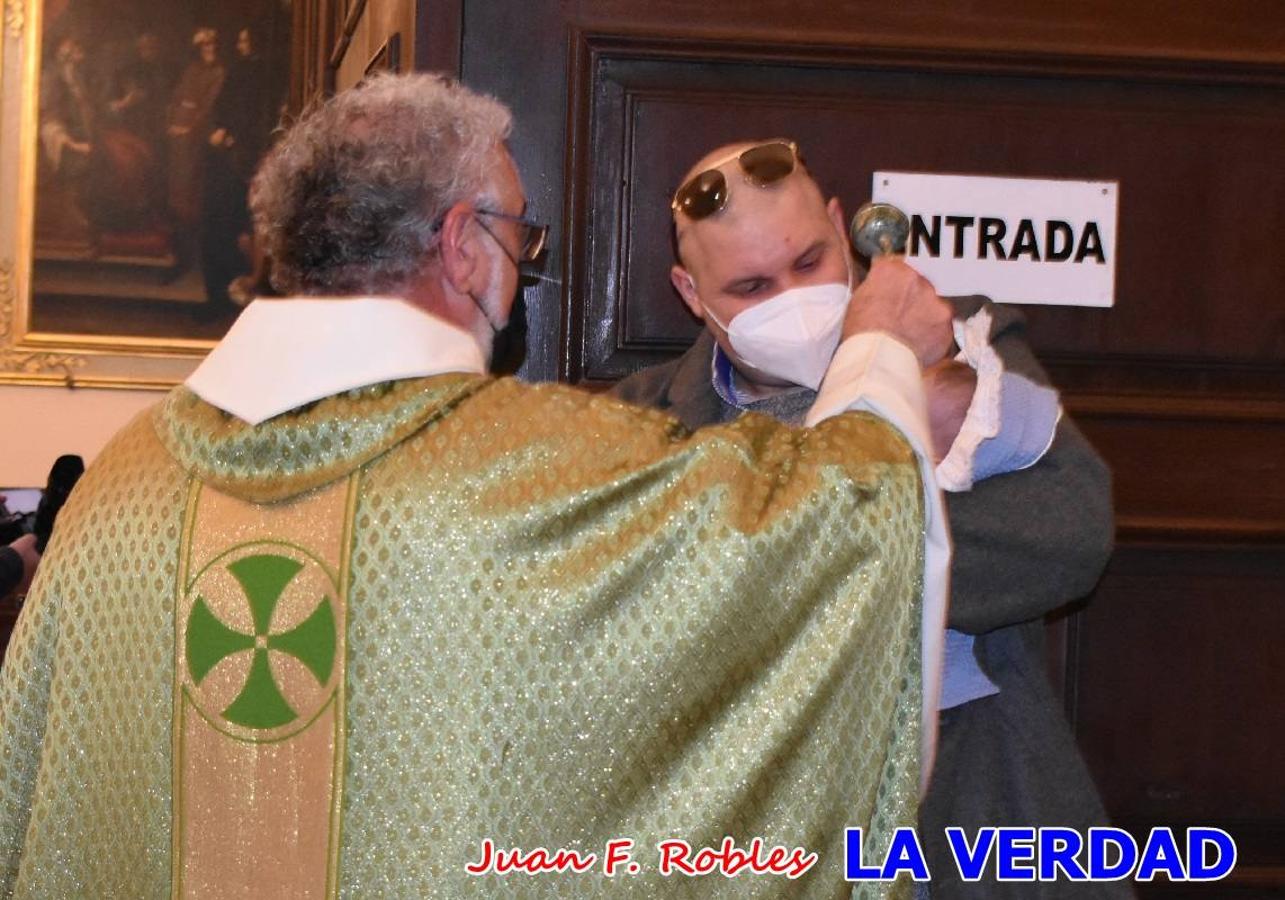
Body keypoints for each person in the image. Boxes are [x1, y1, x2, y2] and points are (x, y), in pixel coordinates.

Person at [1, 74, 951, 897]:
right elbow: (834, 523)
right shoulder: (543, 472)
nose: (517, 275)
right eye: (518, 241)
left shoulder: (116, 491)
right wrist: (877, 351)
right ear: (461, 243)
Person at [614, 140, 1126, 899]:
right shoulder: (641, 423)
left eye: (810, 262)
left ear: (837, 225)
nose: (790, 297)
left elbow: (1063, 538)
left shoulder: (968, 346)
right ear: (692, 293)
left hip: (976, 812)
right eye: (750, 285)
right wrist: (902, 534)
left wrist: (778, 552)